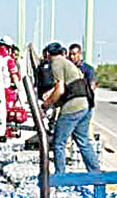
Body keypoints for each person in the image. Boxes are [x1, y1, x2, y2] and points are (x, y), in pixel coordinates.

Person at [41, 42, 101, 174]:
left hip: (73, 107)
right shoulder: (68, 64)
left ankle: (60, 176)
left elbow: (60, 89)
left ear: (47, 54)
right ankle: (96, 173)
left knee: (58, 142)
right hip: (86, 105)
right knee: (83, 141)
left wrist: (47, 104)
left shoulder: (56, 63)